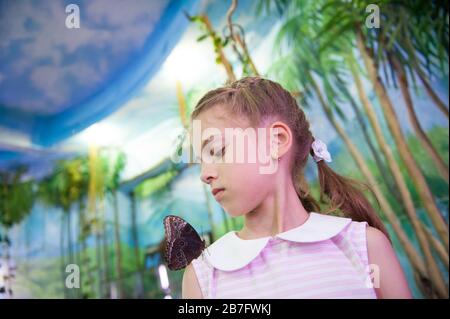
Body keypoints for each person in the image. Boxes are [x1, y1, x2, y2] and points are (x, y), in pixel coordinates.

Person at [182, 77, 412, 299]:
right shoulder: (203, 275)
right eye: (201, 161)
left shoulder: (365, 245)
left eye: (217, 150)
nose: (204, 174)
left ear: (277, 141)